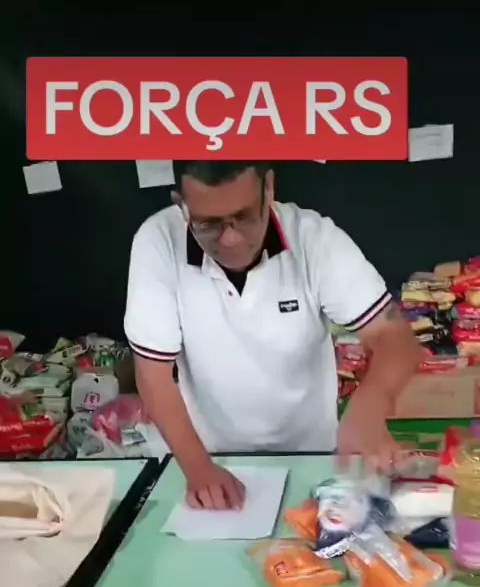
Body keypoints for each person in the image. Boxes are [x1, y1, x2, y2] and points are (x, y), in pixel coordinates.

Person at [124, 160, 420, 510]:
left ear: (269, 188)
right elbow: (153, 373)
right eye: (208, 224)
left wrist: (371, 403)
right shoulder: (158, 240)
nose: (231, 239)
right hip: (210, 452)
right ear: (181, 205)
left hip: (311, 455)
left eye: (245, 217)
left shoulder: (313, 238)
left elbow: (393, 335)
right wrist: (198, 467)